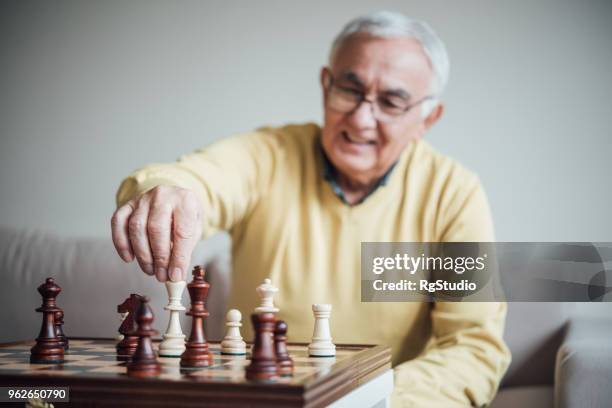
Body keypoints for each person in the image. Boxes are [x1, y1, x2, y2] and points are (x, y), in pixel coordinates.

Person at [111, 11, 510, 406]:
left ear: (428, 118)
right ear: (325, 86)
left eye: (390, 101)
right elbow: (195, 179)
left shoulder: (453, 193)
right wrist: (164, 190)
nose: (361, 117)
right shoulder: (268, 156)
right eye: (349, 91)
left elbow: (473, 348)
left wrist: (371, 400)